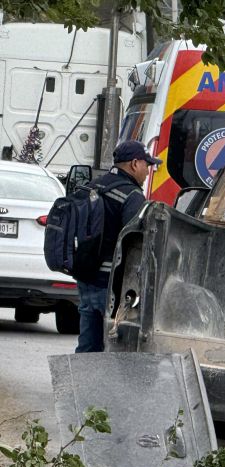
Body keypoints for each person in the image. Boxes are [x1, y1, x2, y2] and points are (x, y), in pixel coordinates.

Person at [75, 140, 157, 353]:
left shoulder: (94, 186)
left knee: (88, 343)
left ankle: (82, 383)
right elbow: (135, 242)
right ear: (134, 164)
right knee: (114, 346)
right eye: (147, 165)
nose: (148, 171)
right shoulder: (132, 196)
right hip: (110, 284)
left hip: (86, 276)